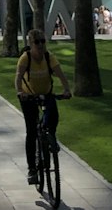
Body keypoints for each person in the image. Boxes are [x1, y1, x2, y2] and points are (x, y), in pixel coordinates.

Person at [15, 27, 71, 186]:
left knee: (53, 117)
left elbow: (61, 75)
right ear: (30, 43)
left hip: (46, 93)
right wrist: (20, 92)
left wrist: (66, 89)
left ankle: (50, 138)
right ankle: (32, 169)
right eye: (36, 42)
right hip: (28, 96)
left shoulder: (49, 57)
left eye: (43, 41)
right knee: (31, 131)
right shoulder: (25, 58)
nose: (40, 45)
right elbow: (18, 77)